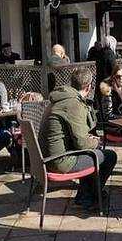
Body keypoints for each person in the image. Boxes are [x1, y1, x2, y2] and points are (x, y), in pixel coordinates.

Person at [38, 68, 117, 210]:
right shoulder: (73, 104)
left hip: (45, 159)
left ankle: (85, 195)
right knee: (108, 156)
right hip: (59, 162)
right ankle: (91, 197)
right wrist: (95, 140)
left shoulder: (59, 99)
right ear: (88, 87)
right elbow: (81, 143)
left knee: (91, 152)